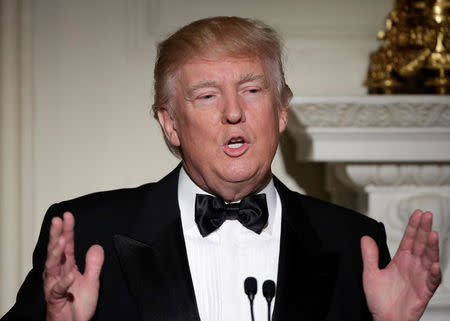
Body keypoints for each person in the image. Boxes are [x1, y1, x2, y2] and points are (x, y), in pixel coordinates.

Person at [1, 16, 441, 321]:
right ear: (170, 123)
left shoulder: (352, 243)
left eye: (251, 89)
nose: (234, 112)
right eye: (207, 95)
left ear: (282, 111)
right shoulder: (87, 234)